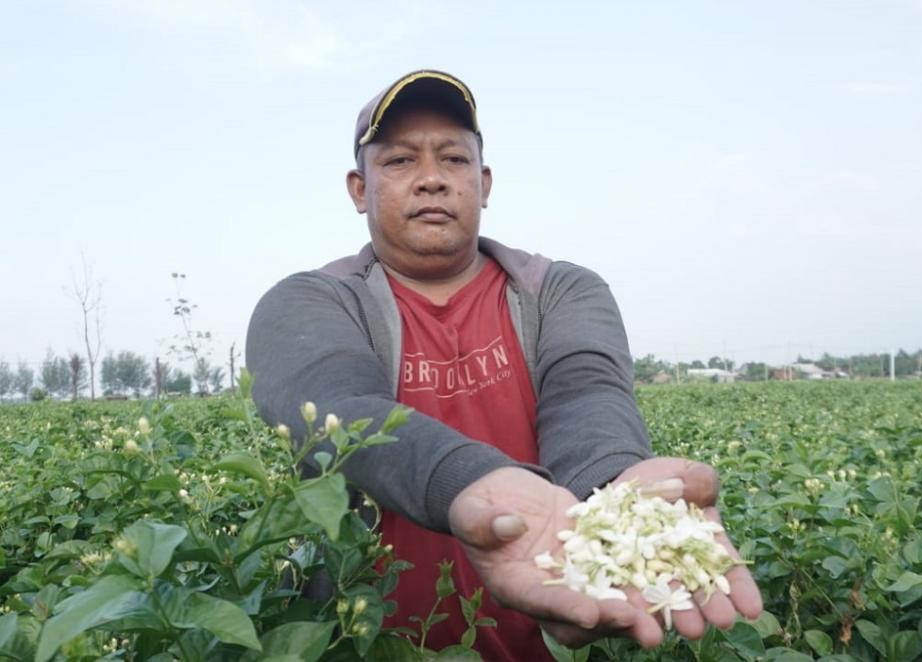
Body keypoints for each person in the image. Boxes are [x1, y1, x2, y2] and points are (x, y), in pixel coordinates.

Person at [246, 69, 762, 660]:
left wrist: (616, 489)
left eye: (454, 159)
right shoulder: (310, 301)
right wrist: (468, 484)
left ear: (484, 182)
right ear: (359, 189)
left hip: (549, 632)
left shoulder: (559, 291)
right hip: (369, 643)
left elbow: (588, 396)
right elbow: (338, 407)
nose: (433, 180)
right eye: (399, 162)